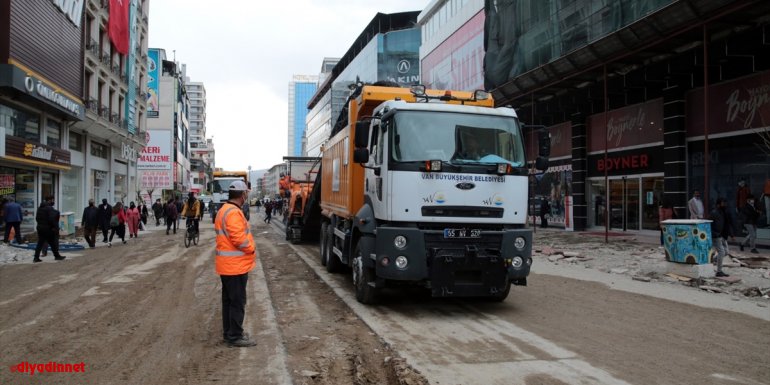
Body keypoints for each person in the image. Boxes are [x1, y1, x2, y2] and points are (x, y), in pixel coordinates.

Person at [214, 180, 257, 347]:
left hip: (228, 266)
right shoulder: (233, 213)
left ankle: (229, 333)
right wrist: (252, 248)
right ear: (242, 195)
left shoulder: (225, 210)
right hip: (235, 266)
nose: (247, 196)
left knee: (229, 302)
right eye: (246, 193)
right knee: (237, 302)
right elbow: (239, 239)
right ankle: (235, 336)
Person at [33, 196, 65, 263]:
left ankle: (36, 258)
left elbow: (37, 218)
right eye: (52, 200)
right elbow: (52, 219)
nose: (53, 201)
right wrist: (55, 227)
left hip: (40, 228)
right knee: (52, 242)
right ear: (49, 200)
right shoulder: (49, 208)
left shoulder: (39, 208)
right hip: (47, 228)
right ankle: (57, 256)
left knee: (40, 243)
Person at [709, 197, 735, 278]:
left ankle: (713, 260)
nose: (725, 204)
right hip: (716, 236)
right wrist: (715, 234)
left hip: (722, 236)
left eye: (725, 203)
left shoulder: (724, 212)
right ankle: (719, 271)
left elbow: (727, 224)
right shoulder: (714, 213)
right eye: (723, 203)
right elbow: (709, 224)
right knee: (722, 251)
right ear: (718, 204)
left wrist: (731, 234)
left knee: (726, 252)